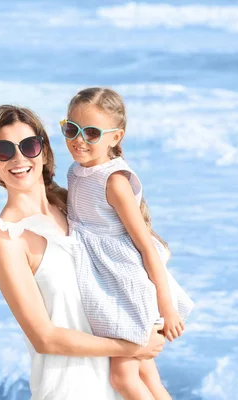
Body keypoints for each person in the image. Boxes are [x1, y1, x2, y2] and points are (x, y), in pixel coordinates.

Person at [0, 105, 166, 400]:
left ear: (43, 151)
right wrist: (133, 347)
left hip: (122, 386)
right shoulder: (6, 240)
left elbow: (140, 260)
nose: (19, 158)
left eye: (29, 146)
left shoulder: (77, 208)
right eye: (4, 150)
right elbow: (45, 338)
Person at [60, 87, 194, 399]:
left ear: (115, 137)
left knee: (123, 377)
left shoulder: (114, 181)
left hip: (127, 286)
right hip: (108, 282)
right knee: (147, 374)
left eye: (91, 133)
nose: (79, 140)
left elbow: (147, 248)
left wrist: (168, 308)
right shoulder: (76, 170)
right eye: (71, 129)